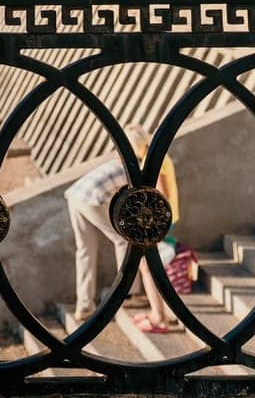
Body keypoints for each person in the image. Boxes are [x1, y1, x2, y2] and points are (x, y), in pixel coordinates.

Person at [65, 124, 182, 333]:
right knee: (124, 240)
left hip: (76, 195)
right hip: (90, 200)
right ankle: (130, 293)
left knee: (85, 251)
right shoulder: (138, 167)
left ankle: (84, 307)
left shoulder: (124, 161)